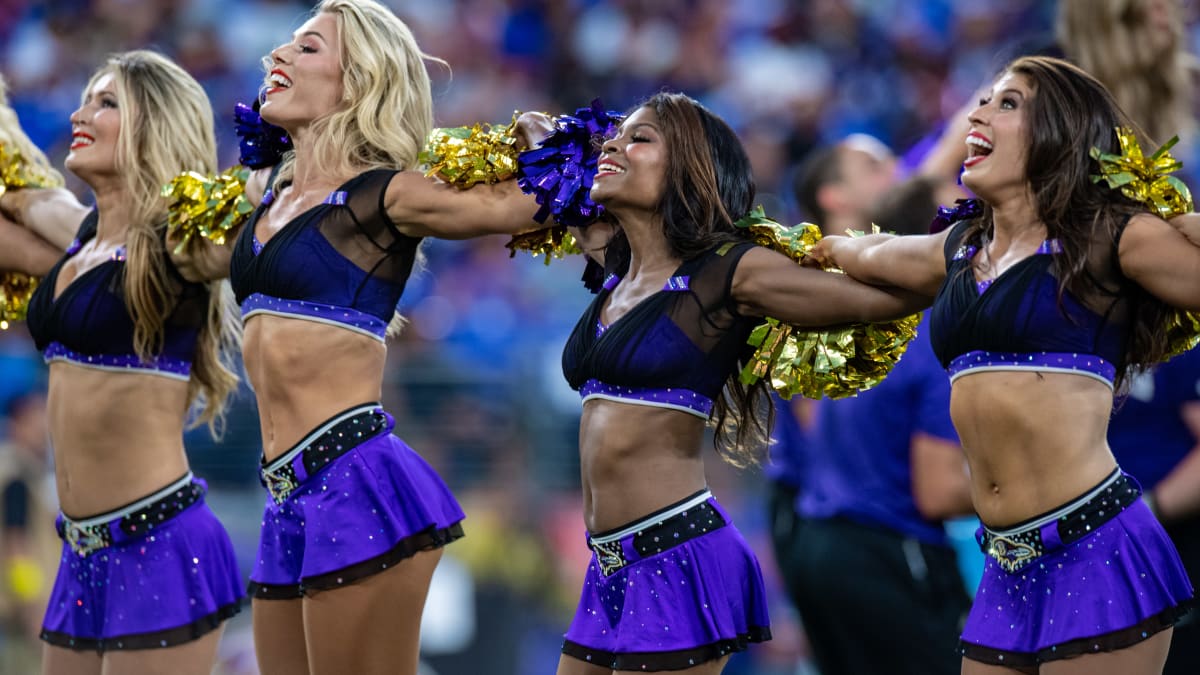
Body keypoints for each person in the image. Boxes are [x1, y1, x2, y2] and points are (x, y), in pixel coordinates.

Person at [172, 2, 547, 674]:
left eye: (307, 48)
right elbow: (179, 252)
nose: (277, 57)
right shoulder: (268, 195)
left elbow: (518, 204)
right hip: (285, 490)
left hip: (355, 479)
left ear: (359, 80)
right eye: (281, 46)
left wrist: (547, 145)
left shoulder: (386, 196)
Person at [811, 55, 1197, 673]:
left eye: (1008, 103)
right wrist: (791, 252)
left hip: (1092, 545)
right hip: (1005, 564)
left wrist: (1174, 214)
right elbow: (867, 251)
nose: (979, 112)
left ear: (1059, 135)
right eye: (983, 100)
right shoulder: (960, 251)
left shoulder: (1113, 236)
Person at [556, 91, 927, 674]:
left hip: (676, 551)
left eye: (640, 138)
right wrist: (539, 132)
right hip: (608, 563)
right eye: (614, 137)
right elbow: (556, 177)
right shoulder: (618, 268)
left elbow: (876, 302)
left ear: (689, 167)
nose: (614, 146)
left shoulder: (731, 272)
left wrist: (955, 252)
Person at [0, 50, 245, 674]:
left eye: (108, 103)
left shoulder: (176, 247)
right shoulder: (79, 243)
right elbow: (25, 203)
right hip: (78, 553)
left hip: (159, 543)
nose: (83, 113)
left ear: (154, 124)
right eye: (86, 98)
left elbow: (243, 234)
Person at [769, 176, 975, 675]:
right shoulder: (933, 337)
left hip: (817, 539)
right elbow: (938, 492)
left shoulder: (858, 324)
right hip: (887, 548)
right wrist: (1038, 484)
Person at [1107, 347, 1200, 675]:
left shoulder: (1182, 342)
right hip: (1093, 539)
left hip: (1170, 535)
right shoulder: (1076, 339)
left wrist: (1145, 511)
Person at [0, 391, 55, 674]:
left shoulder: (23, 471)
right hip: (23, 621)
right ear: (16, 424)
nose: (46, 427)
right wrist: (32, 610)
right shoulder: (16, 475)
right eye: (37, 417)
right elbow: (17, 549)